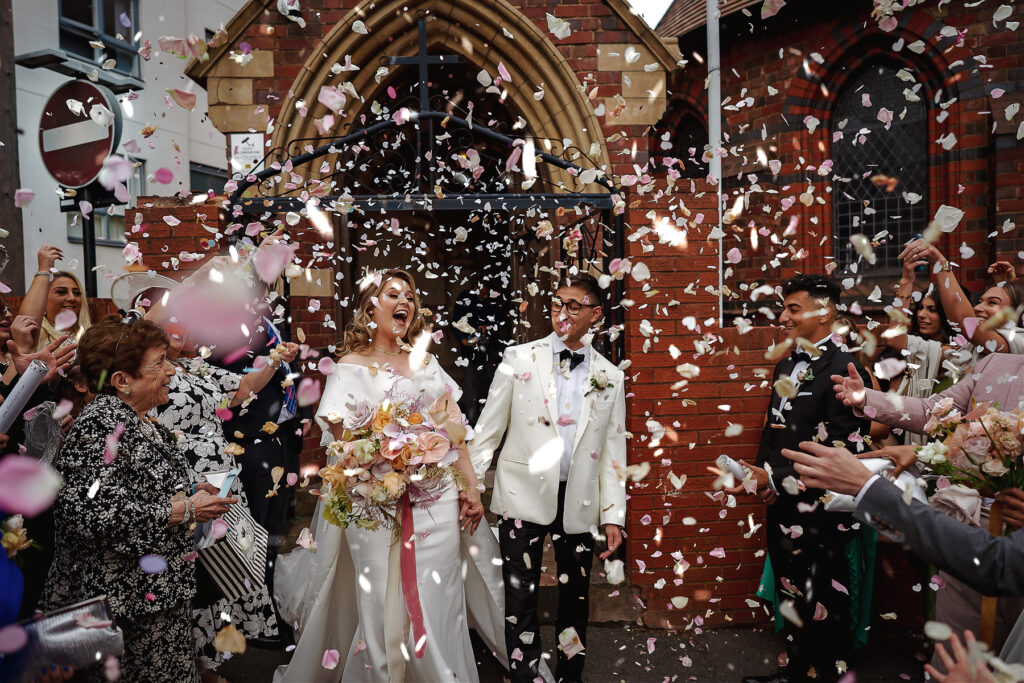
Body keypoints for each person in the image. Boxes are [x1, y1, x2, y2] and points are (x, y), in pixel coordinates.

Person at [273, 269, 511, 683]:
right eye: (393, 293)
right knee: (377, 594)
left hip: (434, 497)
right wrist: (383, 448)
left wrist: (471, 489)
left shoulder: (427, 363)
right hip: (371, 498)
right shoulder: (348, 366)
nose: (405, 301)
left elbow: (454, 433)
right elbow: (340, 440)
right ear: (371, 308)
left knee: (438, 592)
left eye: (411, 296)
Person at [42, 315, 236, 682]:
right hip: (123, 611)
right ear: (121, 381)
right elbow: (89, 511)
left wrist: (190, 492)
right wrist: (185, 510)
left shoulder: (142, 420)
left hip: (154, 602)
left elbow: (137, 490)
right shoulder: (102, 425)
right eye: (159, 364)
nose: (171, 373)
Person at [469, 270, 627, 683]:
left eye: (573, 306)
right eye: (557, 302)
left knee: (575, 602)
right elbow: (488, 431)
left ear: (595, 314)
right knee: (520, 599)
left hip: (578, 501)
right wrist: (469, 487)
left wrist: (614, 515)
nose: (562, 312)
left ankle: (570, 677)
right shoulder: (519, 358)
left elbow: (613, 450)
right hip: (521, 496)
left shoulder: (611, 376)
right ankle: (524, 677)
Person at [832, 351, 1024, 654]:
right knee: (956, 652)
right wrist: (865, 397)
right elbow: (934, 411)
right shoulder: (994, 363)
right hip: (970, 528)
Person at [729, 274, 871, 683]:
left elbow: (847, 448)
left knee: (825, 593)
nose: (784, 317)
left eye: (793, 308)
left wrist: (777, 478)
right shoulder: (787, 363)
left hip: (821, 507)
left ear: (824, 312)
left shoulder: (844, 367)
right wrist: (762, 478)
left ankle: (825, 673)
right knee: (791, 589)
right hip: (782, 501)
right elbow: (771, 430)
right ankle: (796, 669)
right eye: (784, 308)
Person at [152, 321, 295, 670]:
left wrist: (274, 359)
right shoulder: (146, 374)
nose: (180, 329)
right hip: (182, 482)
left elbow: (244, 387)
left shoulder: (196, 365)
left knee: (222, 572)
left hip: (221, 478)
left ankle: (208, 666)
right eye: (171, 322)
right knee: (189, 575)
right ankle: (182, 666)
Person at [213, 310, 308, 641]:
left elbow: (287, 370)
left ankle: (265, 610)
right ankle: (250, 619)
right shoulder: (220, 328)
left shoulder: (269, 320)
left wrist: (300, 415)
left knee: (273, 531)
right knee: (250, 534)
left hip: (280, 438)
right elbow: (230, 382)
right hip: (248, 441)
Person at [900, 239, 1024, 356]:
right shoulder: (964, 349)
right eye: (979, 302)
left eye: (992, 302)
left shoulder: (1018, 341)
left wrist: (941, 263)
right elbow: (897, 341)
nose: (977, 308)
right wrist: (906, 281)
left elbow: (966, 323)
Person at [18, 246, 92, 352]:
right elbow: (25, 321)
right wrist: (43, 270)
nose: (72, 298)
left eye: (77, 293)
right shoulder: (35, 337)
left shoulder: (92, 337)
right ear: (43, 300)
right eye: (61, 292)